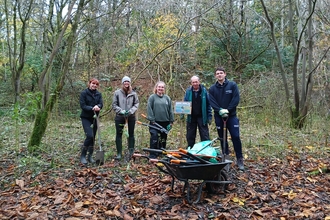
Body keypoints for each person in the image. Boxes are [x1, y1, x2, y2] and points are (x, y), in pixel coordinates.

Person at [209, 67, 244, 171]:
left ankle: (240, 159)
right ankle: (226, 158)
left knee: (236, 137)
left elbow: (236, 99)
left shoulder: (232, 85)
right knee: (222, 138)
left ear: (225, 74)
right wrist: (219, 110)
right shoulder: (212, 88)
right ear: (215, 76)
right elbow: (212, 101)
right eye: (217, 73)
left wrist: (228, 110)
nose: (219, 75)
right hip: (219, 117)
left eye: (221, 73)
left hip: (231, 116)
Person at [112, 76, 139, 160]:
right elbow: (114, 105)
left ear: (130, 83)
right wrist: (121, 111)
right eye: (125, 82)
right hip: (120, 117)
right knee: (119, 134)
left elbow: (136, 104)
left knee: (131, 134)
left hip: (131, 117)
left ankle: (131, 152)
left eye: (128, 81)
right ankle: (119, 153)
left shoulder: (133, 93)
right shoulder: (117, 93)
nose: (126, 83)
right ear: (122, 83)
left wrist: (130, 111)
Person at [182, 76, 212, 148]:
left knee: (204, 135)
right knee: (190, 135)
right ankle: (191, 149)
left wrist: (209, 116)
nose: (195, 83)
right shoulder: (188, 91)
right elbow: (185, 103)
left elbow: (208, 104)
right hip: (191, 117)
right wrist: (182, 114)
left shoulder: (204, 91)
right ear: (191, 83)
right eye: (193, 82)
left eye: (196, 82)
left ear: (199, 82)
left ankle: (206, 149)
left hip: (202, 116)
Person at [147, 81, 174, 158]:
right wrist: (151, 119)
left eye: (162, 87)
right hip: (154, 122)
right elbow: (149, 109)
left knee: (163, 138)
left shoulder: (167, 98)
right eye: (159, 87)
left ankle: (161, 151)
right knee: (154, 136)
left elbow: (170, 110)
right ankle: (152, 154)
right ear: (156, 88)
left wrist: (171, 121)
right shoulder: (152, 97)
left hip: (165, 122)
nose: (160, 88)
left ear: (164, 89)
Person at [79, 78, 103, 165]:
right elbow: (83, 105)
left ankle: (90, 156)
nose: (94, 85)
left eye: (96, 84)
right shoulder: (84, 93)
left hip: (95, 118)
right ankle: (83, 156)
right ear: (89, 84)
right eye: (93, 83)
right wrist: (92, 108)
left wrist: (98, 106)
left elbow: (101, 104)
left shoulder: (98, 94)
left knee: (93, 138)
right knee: (89, 135)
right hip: (86, 117)